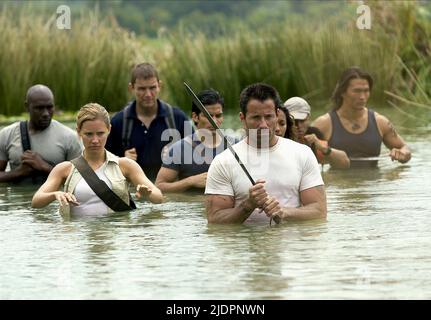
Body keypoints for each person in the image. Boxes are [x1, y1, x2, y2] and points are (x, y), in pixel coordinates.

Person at [205, 83, 327, 224]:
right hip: (244, 244)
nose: (263, 125)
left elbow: (319, 211)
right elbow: (214, 220)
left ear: (277, 115)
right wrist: (248, 205)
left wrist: (284, 212)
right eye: (256, 118)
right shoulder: (223, 162)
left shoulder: (302, 153)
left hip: (293, 244)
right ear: (242, 118)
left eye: (268, 117)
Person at [32, 103, 163, 216]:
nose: (95, 140)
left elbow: (158, 197)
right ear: (78, 132)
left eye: (100, 133)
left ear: (109, 130)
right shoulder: (64, 169)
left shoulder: (125, 165)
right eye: (88, 134)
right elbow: (36, 201)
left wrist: (147, 194)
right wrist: (55, 194)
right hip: (79, 237)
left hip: (116, 234)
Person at [105, 63, 193, 182]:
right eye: (142, 89)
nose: (148, 94)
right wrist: (121, 160)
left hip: (170, 192)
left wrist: (177, 155)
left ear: (159, 86)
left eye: (152, 88)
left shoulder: (178, 118)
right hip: (133, 190)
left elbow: (196, 157)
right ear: (131, 88)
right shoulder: (117, 122)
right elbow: (102, 163)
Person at [312, 67, 412, 168]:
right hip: (339, 182)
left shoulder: (380, 122)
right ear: (342, 92)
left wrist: (402, 153)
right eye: (357, 91)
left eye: (366, 91)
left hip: (375, 183)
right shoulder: (324, 124)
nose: (362, 97)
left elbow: (405, 148)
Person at [0, 84, 82, 184]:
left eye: (50, 107)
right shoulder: (6, 134)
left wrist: (44, 167)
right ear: (27, 107)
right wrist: (19, 172)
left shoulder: (70, 137)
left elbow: (80, 180)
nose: (45, 113)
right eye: (39, 108)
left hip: (55, 199)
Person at [156, 89, 230, 193]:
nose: (214, 121)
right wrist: (190, 181)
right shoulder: (178, 149)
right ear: (195, 117)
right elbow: (159, 187)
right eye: (208, 116)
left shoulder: (234, 146)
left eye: (218, 116)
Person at [284, 97, 350, 169]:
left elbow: (345, 164)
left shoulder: (314, 134)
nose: (298, 126)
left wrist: (323, 148)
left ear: (308, 118)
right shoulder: (279, 135)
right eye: (294, 121)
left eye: (302, 121)